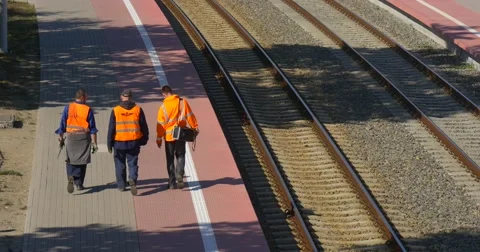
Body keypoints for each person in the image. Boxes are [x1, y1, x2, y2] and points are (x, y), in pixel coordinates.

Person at [55, 88, 98, 193]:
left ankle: (71, 176)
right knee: (82, 161)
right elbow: (92, 128)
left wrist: (60, 136)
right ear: (82, 97)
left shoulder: (68, 107)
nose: (87, 98)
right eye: (86, 97)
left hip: (71, 137)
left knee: (70, 159)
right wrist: (94, 143)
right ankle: (79, 184)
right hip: (83, 138)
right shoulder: (87, 109)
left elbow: (62, 124)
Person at [107, 89, 149, 195]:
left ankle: (121, 185)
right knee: (132, 163)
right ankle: (132, 179)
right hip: (134, 142)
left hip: (119, 142)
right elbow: (143, 125)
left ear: (122, 97)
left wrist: (109, 143)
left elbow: (111, 128)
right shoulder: (138, 109)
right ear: (131, 97)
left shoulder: (116, 110)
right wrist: (145, 139)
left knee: (119, 164)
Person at [156, 85, 198, 190]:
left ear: (164, 94)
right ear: (172, 92)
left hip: (169, 137)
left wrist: (159, 138)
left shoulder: (163, 107)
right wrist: (195, 128)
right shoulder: (183, 102)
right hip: (180, 134)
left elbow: (160, 124)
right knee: (181, 155)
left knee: (170, 159)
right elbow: (190, 116)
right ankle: (179, 174)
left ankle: (171, 183)